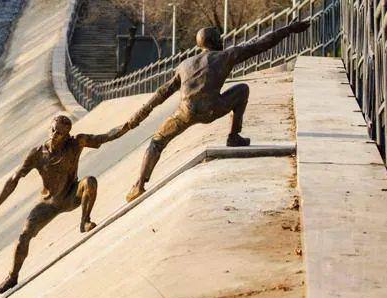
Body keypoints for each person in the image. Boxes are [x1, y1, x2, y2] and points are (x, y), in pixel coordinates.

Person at [125, 18, 310, 201]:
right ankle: (234, 136)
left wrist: (138, 115)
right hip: (212, 108)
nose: (222, 41)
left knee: (157, 142)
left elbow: (162, 92)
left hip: (185, 112)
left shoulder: (184, 65)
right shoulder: (225, 56)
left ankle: (139, 185)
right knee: (242, 90)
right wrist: (289, 29)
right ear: (215, 42)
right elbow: (261, 45)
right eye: (220, 39)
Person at [0, 110, 144, 294]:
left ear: (67, 135)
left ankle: (85, 221)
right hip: (48, 204)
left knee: (90, 182)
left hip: (71, 195)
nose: (54, 136)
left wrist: (129, 124)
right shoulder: (37, 154)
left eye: (60, 133)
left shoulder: (76, 143)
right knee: (24, 237)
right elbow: (14, 179)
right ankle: (12, 276)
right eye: (53, 130)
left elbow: (105, 137)